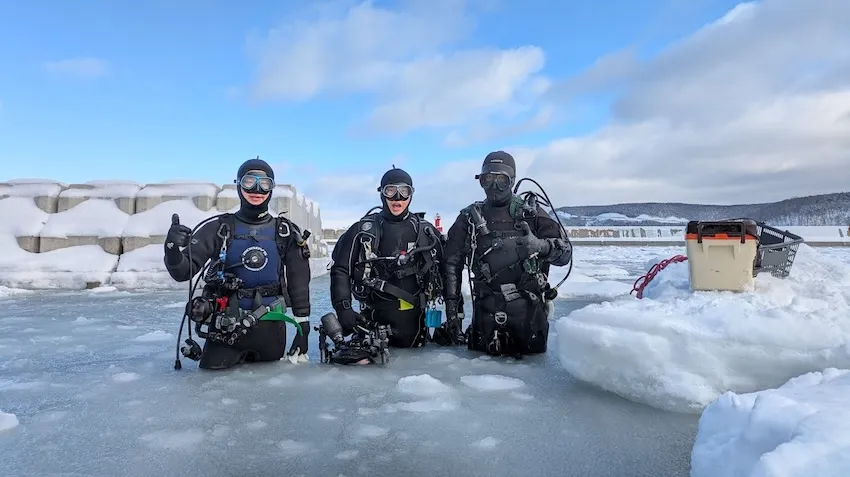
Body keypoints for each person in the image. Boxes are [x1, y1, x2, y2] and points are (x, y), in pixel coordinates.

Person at [164, 158, 313, 370]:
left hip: (271, 334)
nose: (257, 189)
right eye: (249, 181)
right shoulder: (219, 228)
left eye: (265, 183)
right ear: (238, 184)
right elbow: (183, 272)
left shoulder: (285, 232)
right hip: (225, 333)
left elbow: (299, 282)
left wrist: (303, 327)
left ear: (272, 188)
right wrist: (171, 248)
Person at [437, 151, 572, 357]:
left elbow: (565, 256)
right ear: (481, 181)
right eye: (488, 179)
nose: (494, 186)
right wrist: (453, 314)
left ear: (512, 180)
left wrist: (540, 247)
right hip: (485, 311)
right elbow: (451, 264)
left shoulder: (531, 214)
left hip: (529, 310)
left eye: (502, 180)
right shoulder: (469, 218)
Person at [327, 166, 445, 364]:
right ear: (382, 193)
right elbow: (340, 270)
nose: (397, 198)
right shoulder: (362, 231)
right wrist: (344, 308)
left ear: (411, 194)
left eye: (404, 191)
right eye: (391, 191)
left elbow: (448, 270)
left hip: (415, 329)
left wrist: (454, 316)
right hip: (370, 323)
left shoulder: (425, 231)